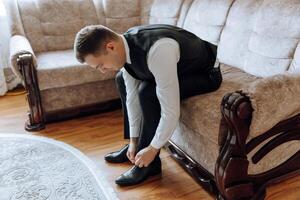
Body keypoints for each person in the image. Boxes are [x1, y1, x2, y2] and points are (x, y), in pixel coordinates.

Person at [74, 24, 222, 186]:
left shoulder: (158, 51)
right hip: (180, 69)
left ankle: (149, 165)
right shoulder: (124, 50)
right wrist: (133, 141)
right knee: (121, 79)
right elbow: (132, 99)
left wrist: (152, 148)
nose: (102, 70)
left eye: (101, 65)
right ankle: (137, 149)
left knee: (148, 92)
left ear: (110, 47)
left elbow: (171, 111)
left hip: (206, 74)